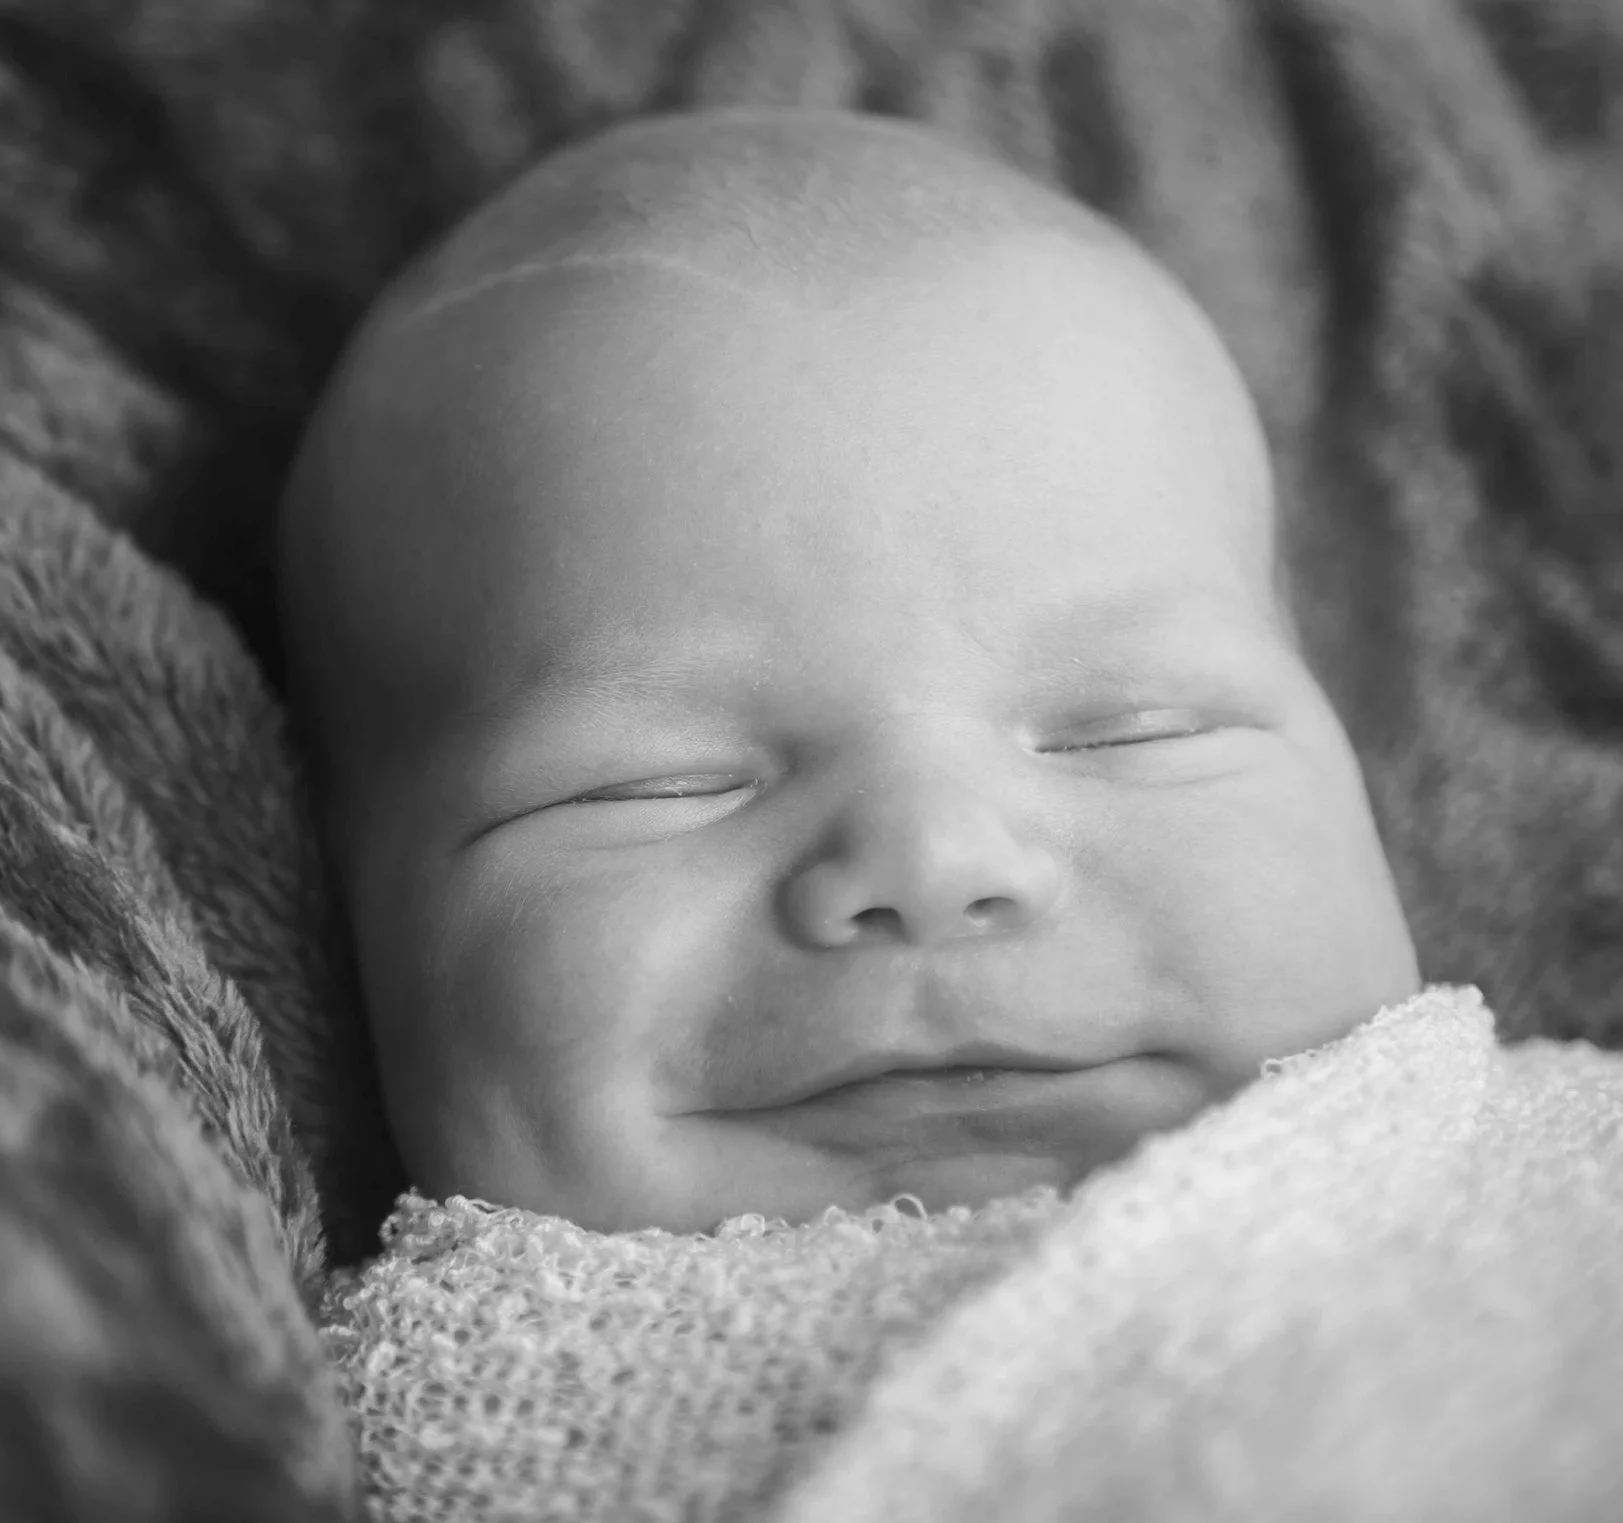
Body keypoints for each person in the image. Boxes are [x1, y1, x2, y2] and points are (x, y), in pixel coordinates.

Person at [277, 106, 1421, 1239]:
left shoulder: (1576, 1196)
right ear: (341, 895)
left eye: (1131, 728)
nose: (930, 860)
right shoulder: (333, 1399)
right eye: (654, 785)